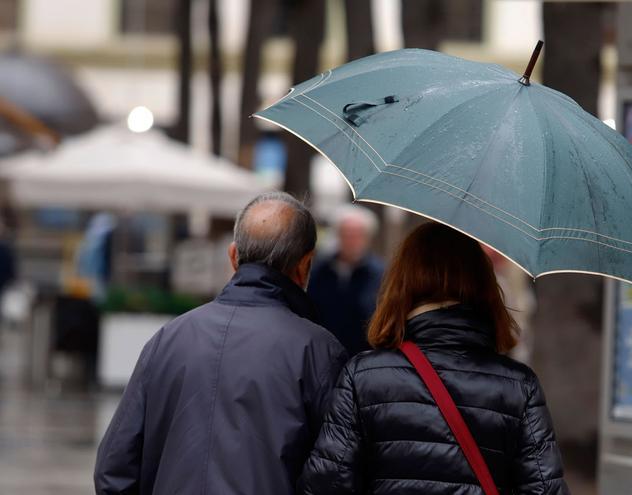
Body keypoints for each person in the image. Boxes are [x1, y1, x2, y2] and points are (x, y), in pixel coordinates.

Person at [94, 192, 347, 494]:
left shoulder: (168, 338)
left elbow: (114, 469)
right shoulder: (319, 351)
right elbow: (335, 476)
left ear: (232, 256)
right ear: (305, 265)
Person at [299, 222, 569, 494]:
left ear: (402, 281)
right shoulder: (520, 387)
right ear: (483, 284)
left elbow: (326, 485)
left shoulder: (363, 377)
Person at [308, 205, 384, 355]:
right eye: (347, 234)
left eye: (357, 235)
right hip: (324, 352)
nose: (352, 240)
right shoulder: (319, 271)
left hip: (364, 355)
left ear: (367, 238)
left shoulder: (379, 274)